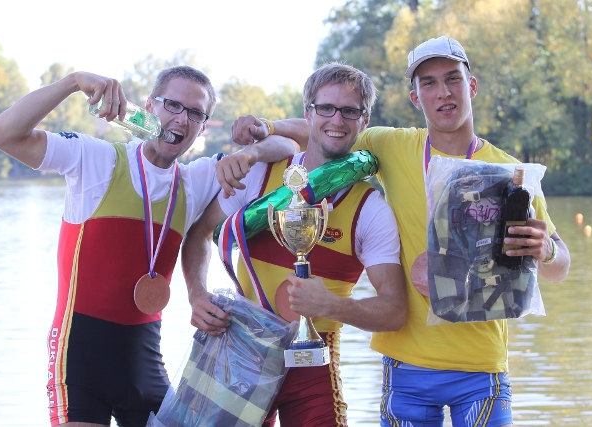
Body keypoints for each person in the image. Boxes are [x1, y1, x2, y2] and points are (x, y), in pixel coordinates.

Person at [230, 36, 571, 427]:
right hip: (406, 368)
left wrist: (546, 251)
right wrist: (267, 129)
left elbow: (559, 266)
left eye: (453, 79)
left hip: (482, 368)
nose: (443, 92)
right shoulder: (389, 145)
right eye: (428, 83)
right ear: (415, 97)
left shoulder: (511, 172)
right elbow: (325, 130)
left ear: (472, 86)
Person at [0, 66, 296, 427]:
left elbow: (290, 148)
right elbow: (3, 134)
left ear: (202, 126)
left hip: (144, 366)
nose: (181, 119)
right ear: (149, 106)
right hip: (79, 364)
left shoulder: (198, 179)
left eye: (195, 113)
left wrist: (251, 153)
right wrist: (72, 82)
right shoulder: (94, 159)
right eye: (172, 105)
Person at [181, 63, 408, 427]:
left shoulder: (371, 209)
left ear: (364, 121)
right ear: (308, 113)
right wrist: (197, 294)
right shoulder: (261, 172)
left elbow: (395, 310)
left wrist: (332, 305)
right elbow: (199, 235)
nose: (337, 120)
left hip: (313, 367)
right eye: (326, 108)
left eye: (350, 111)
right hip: (240, 351)